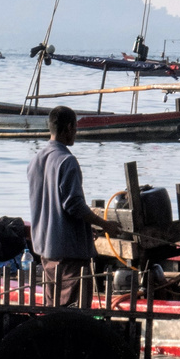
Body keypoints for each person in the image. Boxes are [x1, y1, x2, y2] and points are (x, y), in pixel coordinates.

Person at [28, 106, 120, 307]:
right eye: (76, 129)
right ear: (69, 127)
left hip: (45, 249)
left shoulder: (35, 160)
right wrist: (104, 224)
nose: (76, 134)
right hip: (69, 253)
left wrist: (89, 227)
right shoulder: (67, 161)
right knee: (73, 311)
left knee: (52, 307)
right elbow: (74, 205)